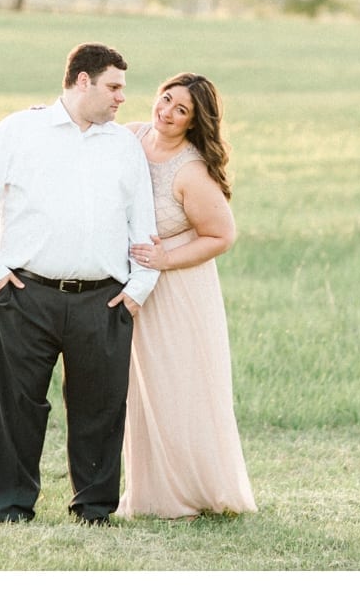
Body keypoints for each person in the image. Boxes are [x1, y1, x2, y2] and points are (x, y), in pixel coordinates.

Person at [0, 42, 160, 525]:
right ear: (81, 81)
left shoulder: (123, 146)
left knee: (101, 407)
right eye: (113, 87)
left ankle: (93, 507)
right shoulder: (18, 130)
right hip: (26, 294)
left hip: (104, 300)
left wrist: (137, 292)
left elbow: (145, 223)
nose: (121, 98)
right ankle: (12, 505)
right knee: (19, 403)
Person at [118, 73, 256, 519]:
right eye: (166, 99)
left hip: (178, 289)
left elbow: (221, 235)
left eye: (182, 111)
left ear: (194, 123)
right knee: (140, 388)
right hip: (136, 284)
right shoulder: (132, 135)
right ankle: (148, 493)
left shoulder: (191, 171)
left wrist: (163, 259)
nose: (168, 112)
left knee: (177, 386)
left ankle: (192, 490)